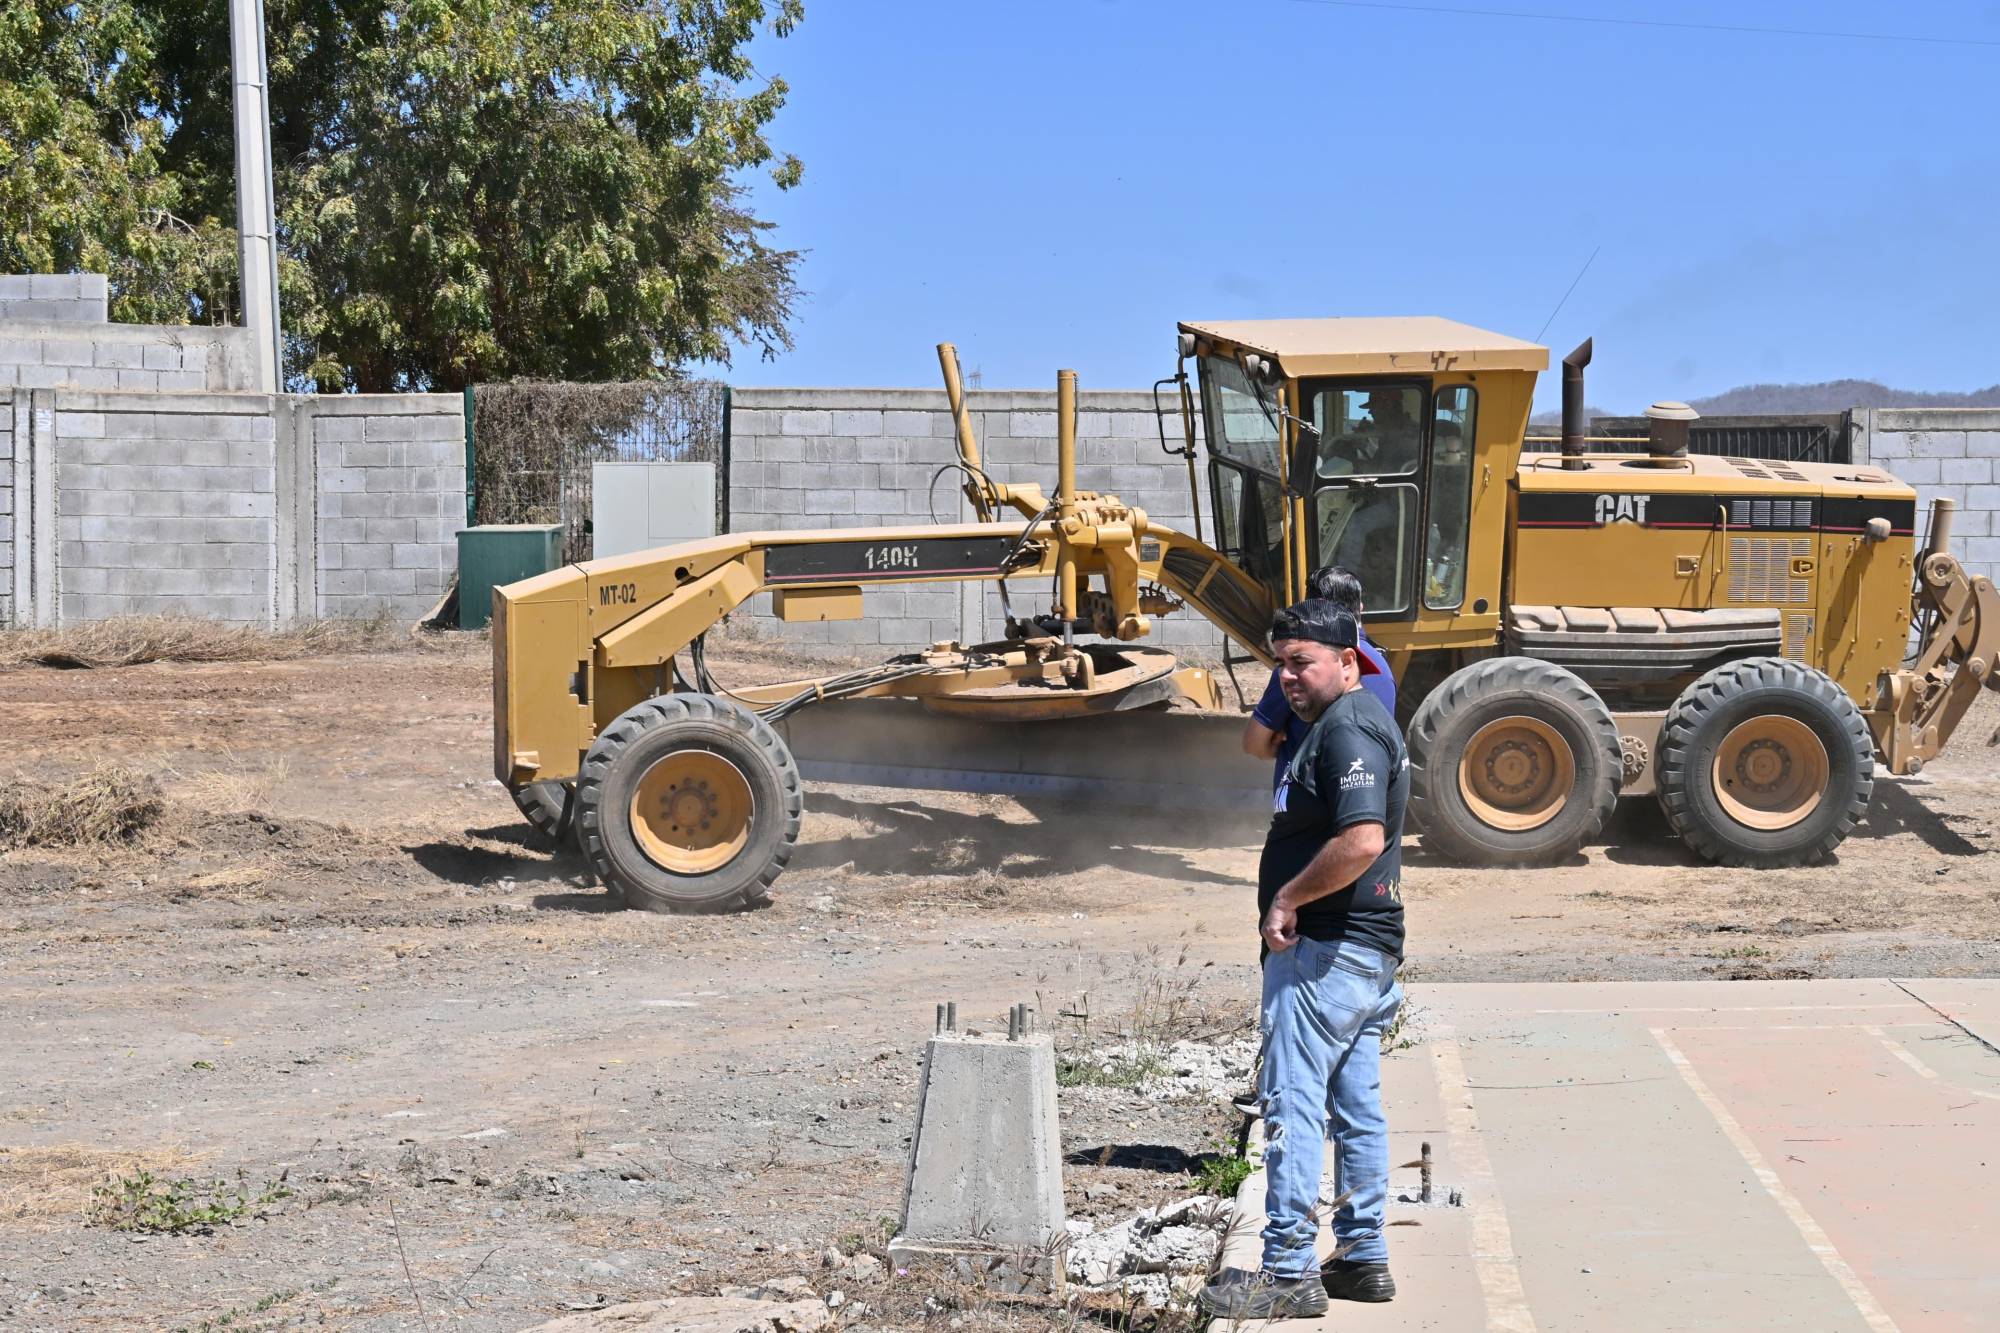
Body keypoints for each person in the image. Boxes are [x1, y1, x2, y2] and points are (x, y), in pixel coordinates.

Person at [1200, 600, 1408, 1321]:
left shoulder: (1348, 729)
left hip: (1325, 950)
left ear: (1348, 662)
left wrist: (1287, 899)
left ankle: (1288, 1267)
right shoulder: (1337, 726)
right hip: (1358, 952)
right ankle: (1360, 1254)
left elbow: (1361, 840)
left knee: (1291, 1102)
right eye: (1280, 663)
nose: (1288, 677)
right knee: (1355, 1108)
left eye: (1302, 662)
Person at [1242, 566, 1394, 789]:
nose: (1287, 670)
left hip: (1309, 805)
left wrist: (1281, 741)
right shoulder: (1382, 669)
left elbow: (1254, 744)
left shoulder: (1298, 670)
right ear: (1360, 607)